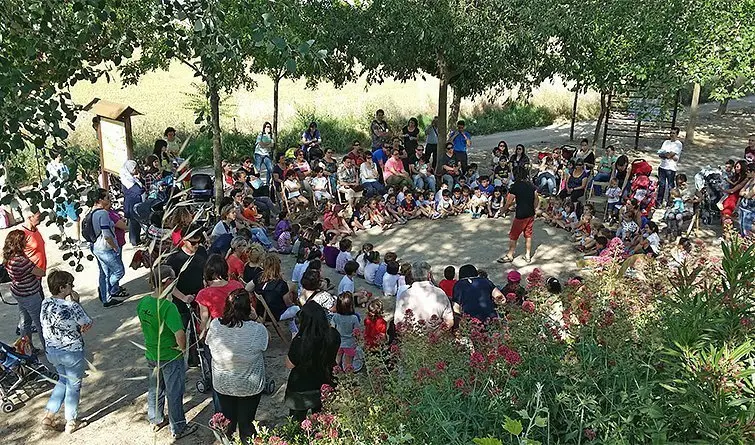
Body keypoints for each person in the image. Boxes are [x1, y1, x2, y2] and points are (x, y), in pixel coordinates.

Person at [137, 266, 197, 439]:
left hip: (152, 353)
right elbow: (179, 333)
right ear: (167, 282)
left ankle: (155, 419)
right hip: (170, 355)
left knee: (155, 388)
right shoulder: (168, 307)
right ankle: (178, 427)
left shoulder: (144, 303)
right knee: (174, 391)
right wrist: (182, 349)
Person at [205, 288, 269, 443]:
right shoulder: (257, 330)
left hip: (223, 383)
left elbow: (208, 342)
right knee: (247, 424)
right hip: (249, 385)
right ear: (249, 308)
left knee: (227, 424)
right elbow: (265, 344)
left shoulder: (215, 325)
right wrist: (256, 319)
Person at [40, 271, 92, 434]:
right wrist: (77, 302)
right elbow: (86, 323)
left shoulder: (45, 303)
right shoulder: (72, 306)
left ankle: (49, 415)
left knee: (63, 381)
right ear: (63, 288)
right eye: (70, 285)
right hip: (71, 351)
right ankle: (71, 421)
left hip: (52, 350)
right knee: (74, 386)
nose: (72, 287)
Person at [284, 301, 341, 421]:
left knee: (297, 421)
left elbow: (289, 364)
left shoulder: (300, 342)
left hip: (301, 386)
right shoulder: (333, 335)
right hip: (325, 381)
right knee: (323, 419)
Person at [165, 225, 208, 367]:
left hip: (200, 298)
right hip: (181, 300)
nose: (196, 245)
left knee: (200, 329)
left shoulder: (202, 252)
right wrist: (183, 297)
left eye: (198, 241)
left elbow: (206, 273)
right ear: (184, 240)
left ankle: (195, 358)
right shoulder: (174, 259)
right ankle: (176, 359)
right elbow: (168, 285)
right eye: (193, 242)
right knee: (180, 329)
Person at [4, 230, 46, 350]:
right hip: (30, 294)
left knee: (25, 321)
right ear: (18, 243)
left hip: (18, 291)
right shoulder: (21, 260)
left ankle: (27, 349)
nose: (26, 242)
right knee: (40, 324)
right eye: (24, 240)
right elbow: (41, 273)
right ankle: (49, 351)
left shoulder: (8, 257)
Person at [88, 189, 126, 307]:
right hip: (105, 248)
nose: (109, 200)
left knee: (104, 273)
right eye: (107, 198)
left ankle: (106, 298)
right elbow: (107, 235)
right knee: (119, 271)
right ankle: (106, 289)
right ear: (100, 200)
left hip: (96, 247)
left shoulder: (91, 212)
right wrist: (114, 247)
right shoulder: (103, 214)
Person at [393, 261, 454, 329]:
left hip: (411, 336)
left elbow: (398, 322)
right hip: (437, 335)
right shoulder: (440, 293)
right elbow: (449, 321)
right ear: (429, 275)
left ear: (412, 275)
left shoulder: (404, 295)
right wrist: (436, 335)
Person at [196, 254, 245, 336]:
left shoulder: (204, 294)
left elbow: (204, 321)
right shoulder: (237, 285)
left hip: (218, 333)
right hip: (239, 329)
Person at [499, 167, 538, 263]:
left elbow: (508, 202)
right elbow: (536, 199)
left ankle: (510, 255)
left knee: (513, 235)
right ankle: (528, 255)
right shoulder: (531, 185)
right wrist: (534, 209)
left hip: (521, 215)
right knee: (528, 235)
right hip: (530, 214)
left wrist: (503, 210)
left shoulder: (515, 187)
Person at [254, 254, 299, 334]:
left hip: (261, 312)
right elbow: (287, 303)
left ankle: (293, 328)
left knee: (289, 299)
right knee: (296, 309)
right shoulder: (280, 284)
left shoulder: (258, 277)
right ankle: (294, 329)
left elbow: (249, 287)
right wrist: (293, 304)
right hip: (275, 315)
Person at [331, 292, 360, 371]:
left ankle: (335, 375)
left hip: (338, 342)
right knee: (348, 364)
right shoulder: (354, 318)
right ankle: (348, 379)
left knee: (337, 361)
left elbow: (332, 328)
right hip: (350, 343)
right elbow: (357, 331)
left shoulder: (336, 316)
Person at [657, 127, 683, 206]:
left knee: (670, 186)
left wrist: (667, 154)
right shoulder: (666, 142)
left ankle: (670, 202)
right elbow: (660, 153)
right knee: (661, 185)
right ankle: (659, 202)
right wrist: (668, 155)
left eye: (673, 133)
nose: (671, 135)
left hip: (671, 168)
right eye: (671, 133)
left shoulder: (678, 144)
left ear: (677, 134)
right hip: (662, 166)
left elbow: (670, 155)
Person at [120, 160, 144, 246]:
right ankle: (134, 241)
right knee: (134, 223)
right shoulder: (127, 180)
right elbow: (138, 190)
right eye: (134, 168)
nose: (136, 170)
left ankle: (136, 239)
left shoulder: (132, 178)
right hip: (131, 203)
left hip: (135, 202)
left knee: (136, 222)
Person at [721, 160, 750, 229]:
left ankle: (727, 232)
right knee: (725, 213)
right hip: (731, 197)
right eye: (735, 167)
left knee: (727, 214)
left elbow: (733, 190)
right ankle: (726, 232)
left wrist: (722, 190)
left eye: (737, 167)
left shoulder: (745, 178)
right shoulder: (737, 176)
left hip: (735, 198)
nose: (735, 168)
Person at [737, 163, 755, 236]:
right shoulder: (750, 181)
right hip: (743, 207)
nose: (746, 172)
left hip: (750, 210)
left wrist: (745, 193)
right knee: (741, 227)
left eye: (748, 171)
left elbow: (749, 195)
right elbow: (741, 192)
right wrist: (745, 193)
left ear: (753, 172)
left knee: (747, 229)